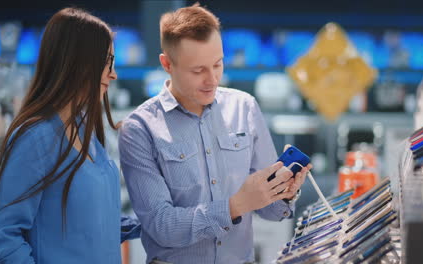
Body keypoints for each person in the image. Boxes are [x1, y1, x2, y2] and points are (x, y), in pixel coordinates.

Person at [118, 3, 311, 264]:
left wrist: (284, 192)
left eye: (218, 65)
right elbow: (161, 226)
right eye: (198, 70)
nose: (212, 80)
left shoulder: (244, 108)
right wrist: (235, 206)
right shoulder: (140, 129)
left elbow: (272, 212)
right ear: (167, 64)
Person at [0, 7, 140, 264]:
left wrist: (155, 223)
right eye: (106, 62)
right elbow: (4, 237)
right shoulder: (36, 138)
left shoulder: (85, 131)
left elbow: (88, 223)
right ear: (76, 62)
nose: (113, 74)